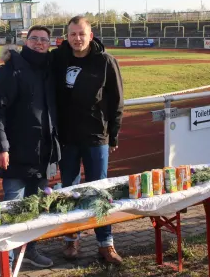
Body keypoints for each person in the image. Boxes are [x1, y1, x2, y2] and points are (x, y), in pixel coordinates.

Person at [0, 25, 59, 271]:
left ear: (50, 43)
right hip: (16, 152)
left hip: (43, 152)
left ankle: (30, 250)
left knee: (35, 206)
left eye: (44, 40)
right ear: (26, 42)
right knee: (13, 208)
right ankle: (8, 259)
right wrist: (0, 148)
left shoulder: (50, 68)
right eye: (34, 39)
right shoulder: (11, 71)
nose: (39, 43)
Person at [52, 16, 124, 265]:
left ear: (90, 35)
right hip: (67, 139)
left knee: (99, 192)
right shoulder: (58, 59)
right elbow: (31, 62)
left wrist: (112, 134)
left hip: (96, 138)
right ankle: (71, 240)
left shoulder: (105, 61)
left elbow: (117, 101)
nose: (77, 38)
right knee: (70, 192)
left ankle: (106, 244)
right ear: (67, 36)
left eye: (81, 34)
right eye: (73, 34)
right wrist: (5, 65)